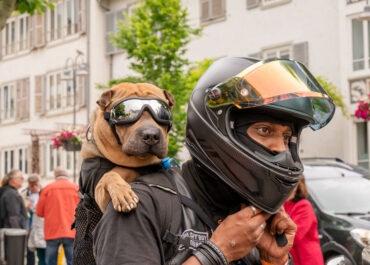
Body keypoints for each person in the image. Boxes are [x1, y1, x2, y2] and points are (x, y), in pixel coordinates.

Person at [93, 57, 335, 264]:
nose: (279, 147)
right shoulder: (142, 205)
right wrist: (215, 253)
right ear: (218, 131)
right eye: (264, 130)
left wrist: (272, 260)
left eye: (286, 136)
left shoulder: (250, 218)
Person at [36, 167, 79, 265]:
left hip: (52, 231)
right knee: (72, 261)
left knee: (51, 262)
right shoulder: (76, 188)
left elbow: (39, 212)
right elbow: (83, 211)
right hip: (71, 231)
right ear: (67, 175)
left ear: (55, 175)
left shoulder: (47, 189)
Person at [283, 175, 324, 265]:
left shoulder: (304, 206)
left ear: (297, 186)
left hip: (307, 259)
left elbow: (295, 235)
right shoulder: (284, 205)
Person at [22, 174, 46, 265]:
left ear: (39, 184)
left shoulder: (45, 192)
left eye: (36, 185)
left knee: (42, 249)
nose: (34, 187)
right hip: (29, 222)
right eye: (31, 185)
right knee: (30, 248)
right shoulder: (24, 193)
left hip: (42, 224)